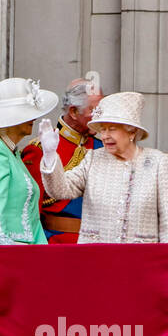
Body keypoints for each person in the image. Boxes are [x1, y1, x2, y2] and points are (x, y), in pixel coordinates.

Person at [37, 91, 168, 243]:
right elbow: (61, 189)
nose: (105, 136)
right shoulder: (93, 158)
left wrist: (167, 262)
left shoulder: (158, 162)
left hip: (142, 260)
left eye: (111, 129)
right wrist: (49, 155)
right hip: (96, 259)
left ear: (131, 130)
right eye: (102, 129)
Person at [0, 77, 58, 245]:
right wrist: (3, 247)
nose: (33, 118)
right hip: (0, 253)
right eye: (26, 113)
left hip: (21, 252)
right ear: (9, 119)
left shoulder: (12, 153)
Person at [21, 77, 104, 243]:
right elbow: (29, 212)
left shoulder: (102, 147)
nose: (101, 117)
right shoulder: (39, 149)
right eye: (95, 111)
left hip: (98, 245)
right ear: (73, 112)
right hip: (57, 245)